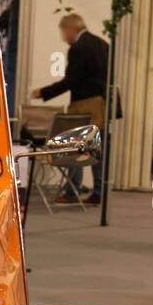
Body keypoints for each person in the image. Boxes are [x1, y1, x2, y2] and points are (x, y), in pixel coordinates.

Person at [32, 13, 109, 204]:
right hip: (102, 104)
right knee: (96, 147)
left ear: (71, 29)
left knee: (77, 147)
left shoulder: (78, 48)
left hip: (84, 105)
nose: (63, 37)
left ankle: (71, 190)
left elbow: (71, 81)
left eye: (63, 32)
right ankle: (98, 192)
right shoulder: (102, 44)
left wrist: (43, 92)